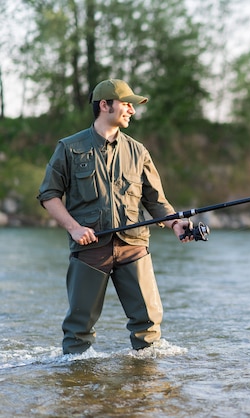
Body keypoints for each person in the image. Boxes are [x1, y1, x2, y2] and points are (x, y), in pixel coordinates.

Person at [37, 78, 194, 354]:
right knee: (78, 332)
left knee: (148, 326)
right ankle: (78, 387)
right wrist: (74, 228)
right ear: (104, 105)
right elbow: (49, 195)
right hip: (90, 250)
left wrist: (175, 223)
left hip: (134, 248)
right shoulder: (69, 148)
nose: (132, 110)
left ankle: (146, 388)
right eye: (127, 104)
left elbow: (156, 201)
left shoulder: (138, 151)